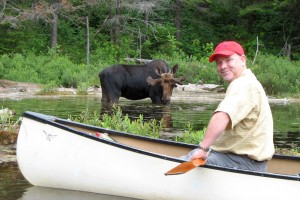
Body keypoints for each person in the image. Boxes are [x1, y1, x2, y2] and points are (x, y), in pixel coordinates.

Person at [180, 41, 274, 172]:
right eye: (219, 62)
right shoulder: (248, 81)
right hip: (241, 160)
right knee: (191, 157)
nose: (223, 66)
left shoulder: (243, 85)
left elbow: (222, 115)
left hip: (243, 163)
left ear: (242, 60)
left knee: (188, 160)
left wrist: (203, 148)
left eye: (228, 60)